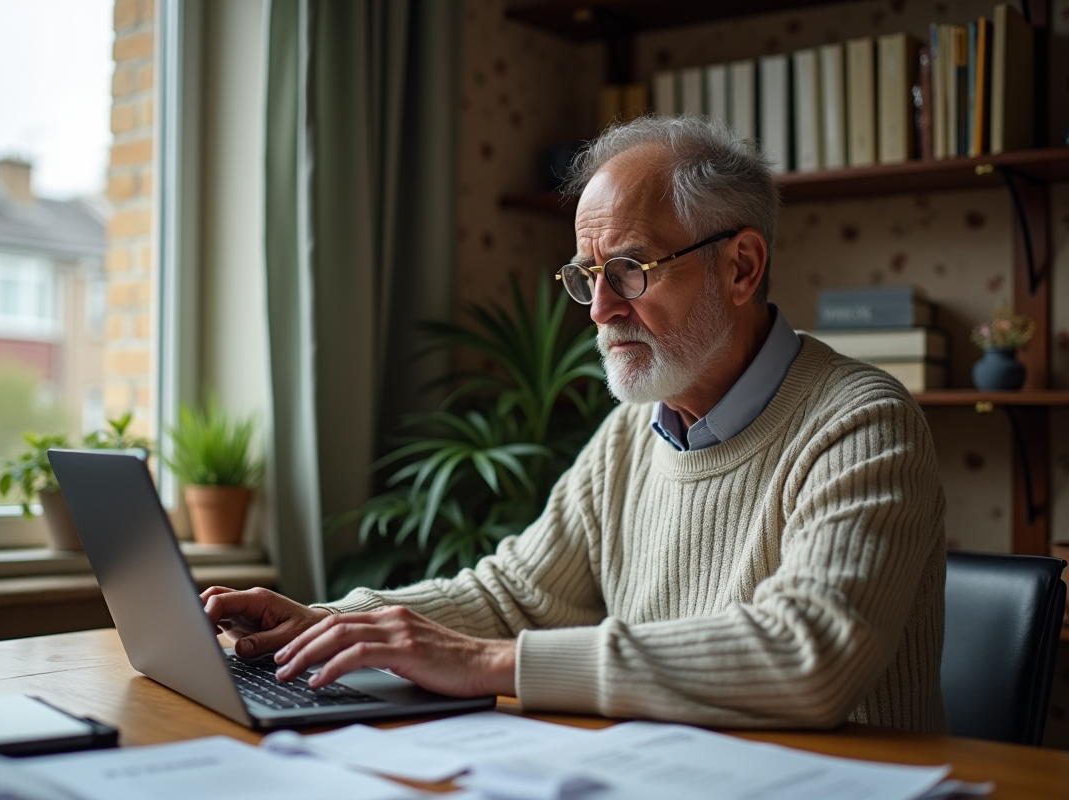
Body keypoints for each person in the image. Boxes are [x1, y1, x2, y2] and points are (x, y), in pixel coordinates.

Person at [202, 115, 947, 732]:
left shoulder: (862, 423)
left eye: (629, 269)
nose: (599, 310)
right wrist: (327, 623)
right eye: (587, 277)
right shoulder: (630, 436)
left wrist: (491, 665)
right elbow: (513, 598)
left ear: (742, 267)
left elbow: (807, 656)